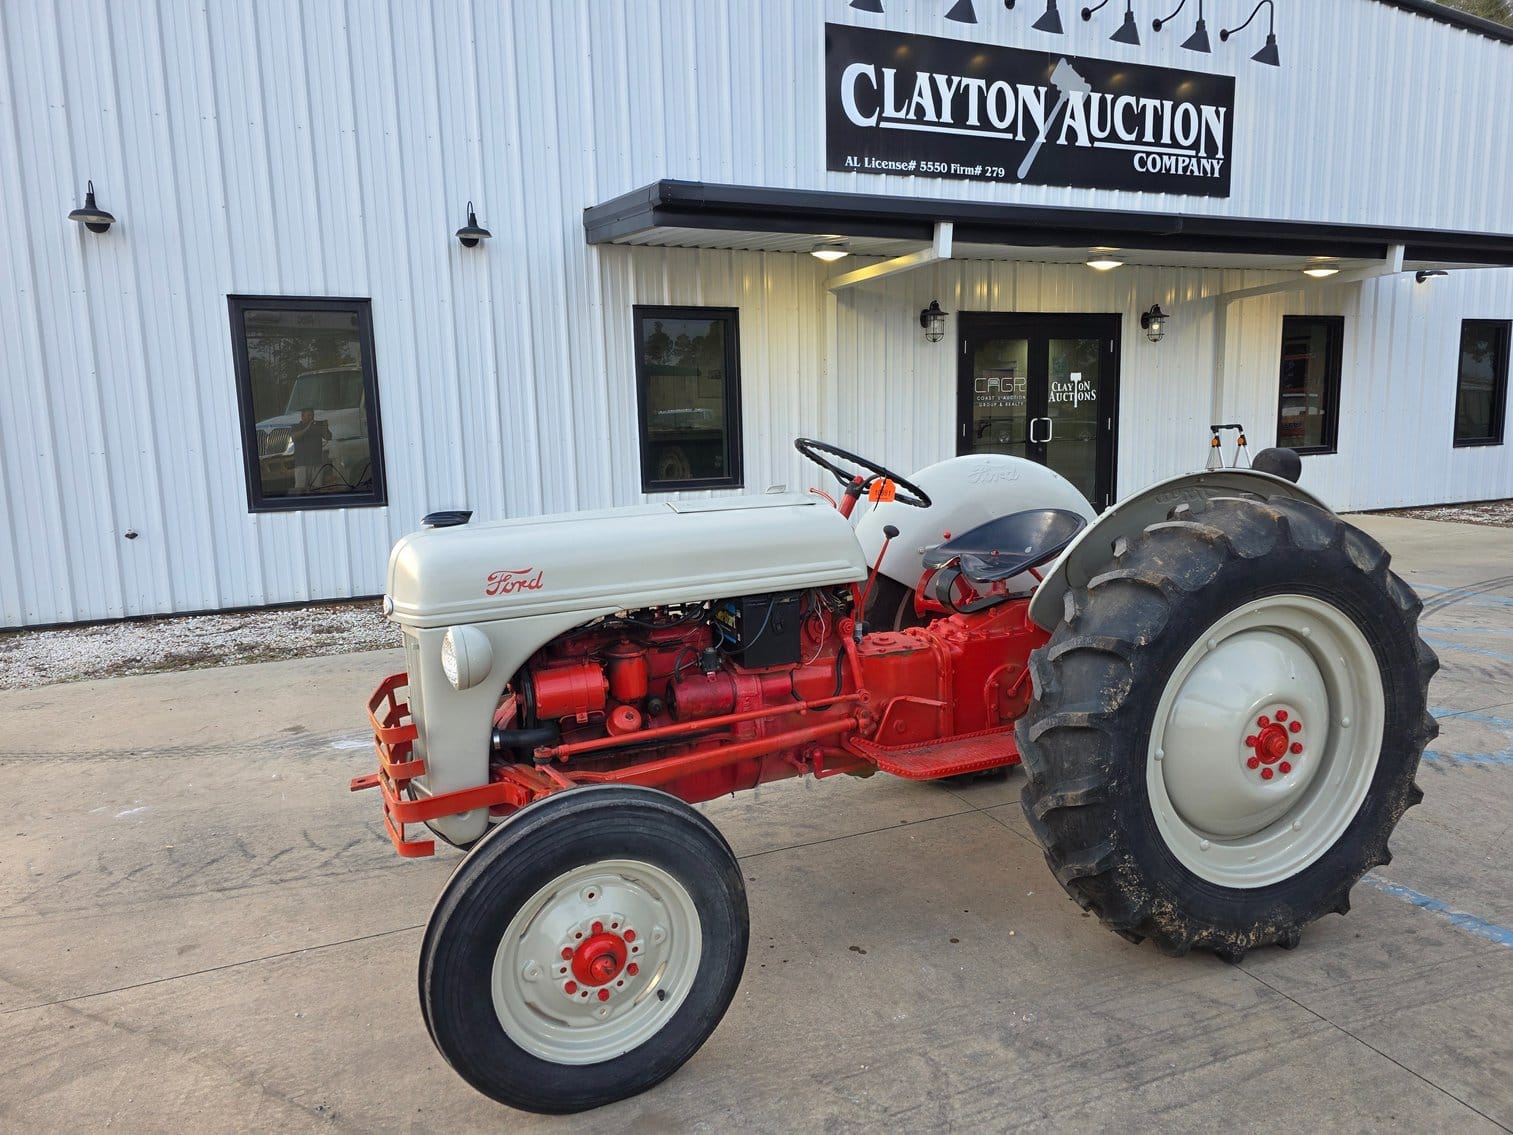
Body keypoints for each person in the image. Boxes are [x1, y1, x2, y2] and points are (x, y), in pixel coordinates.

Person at [291, 407, 331, 492]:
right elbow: (294, 437)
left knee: (317, 489)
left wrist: (325, 428)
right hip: (302, 464)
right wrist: (307, 428)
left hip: (317, 463)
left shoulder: (317, 427)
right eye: (308, 415)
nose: (310, 418)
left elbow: (328, 437)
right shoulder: (296, 426)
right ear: (302, 417)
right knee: (300, 490)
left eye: (312, 415)